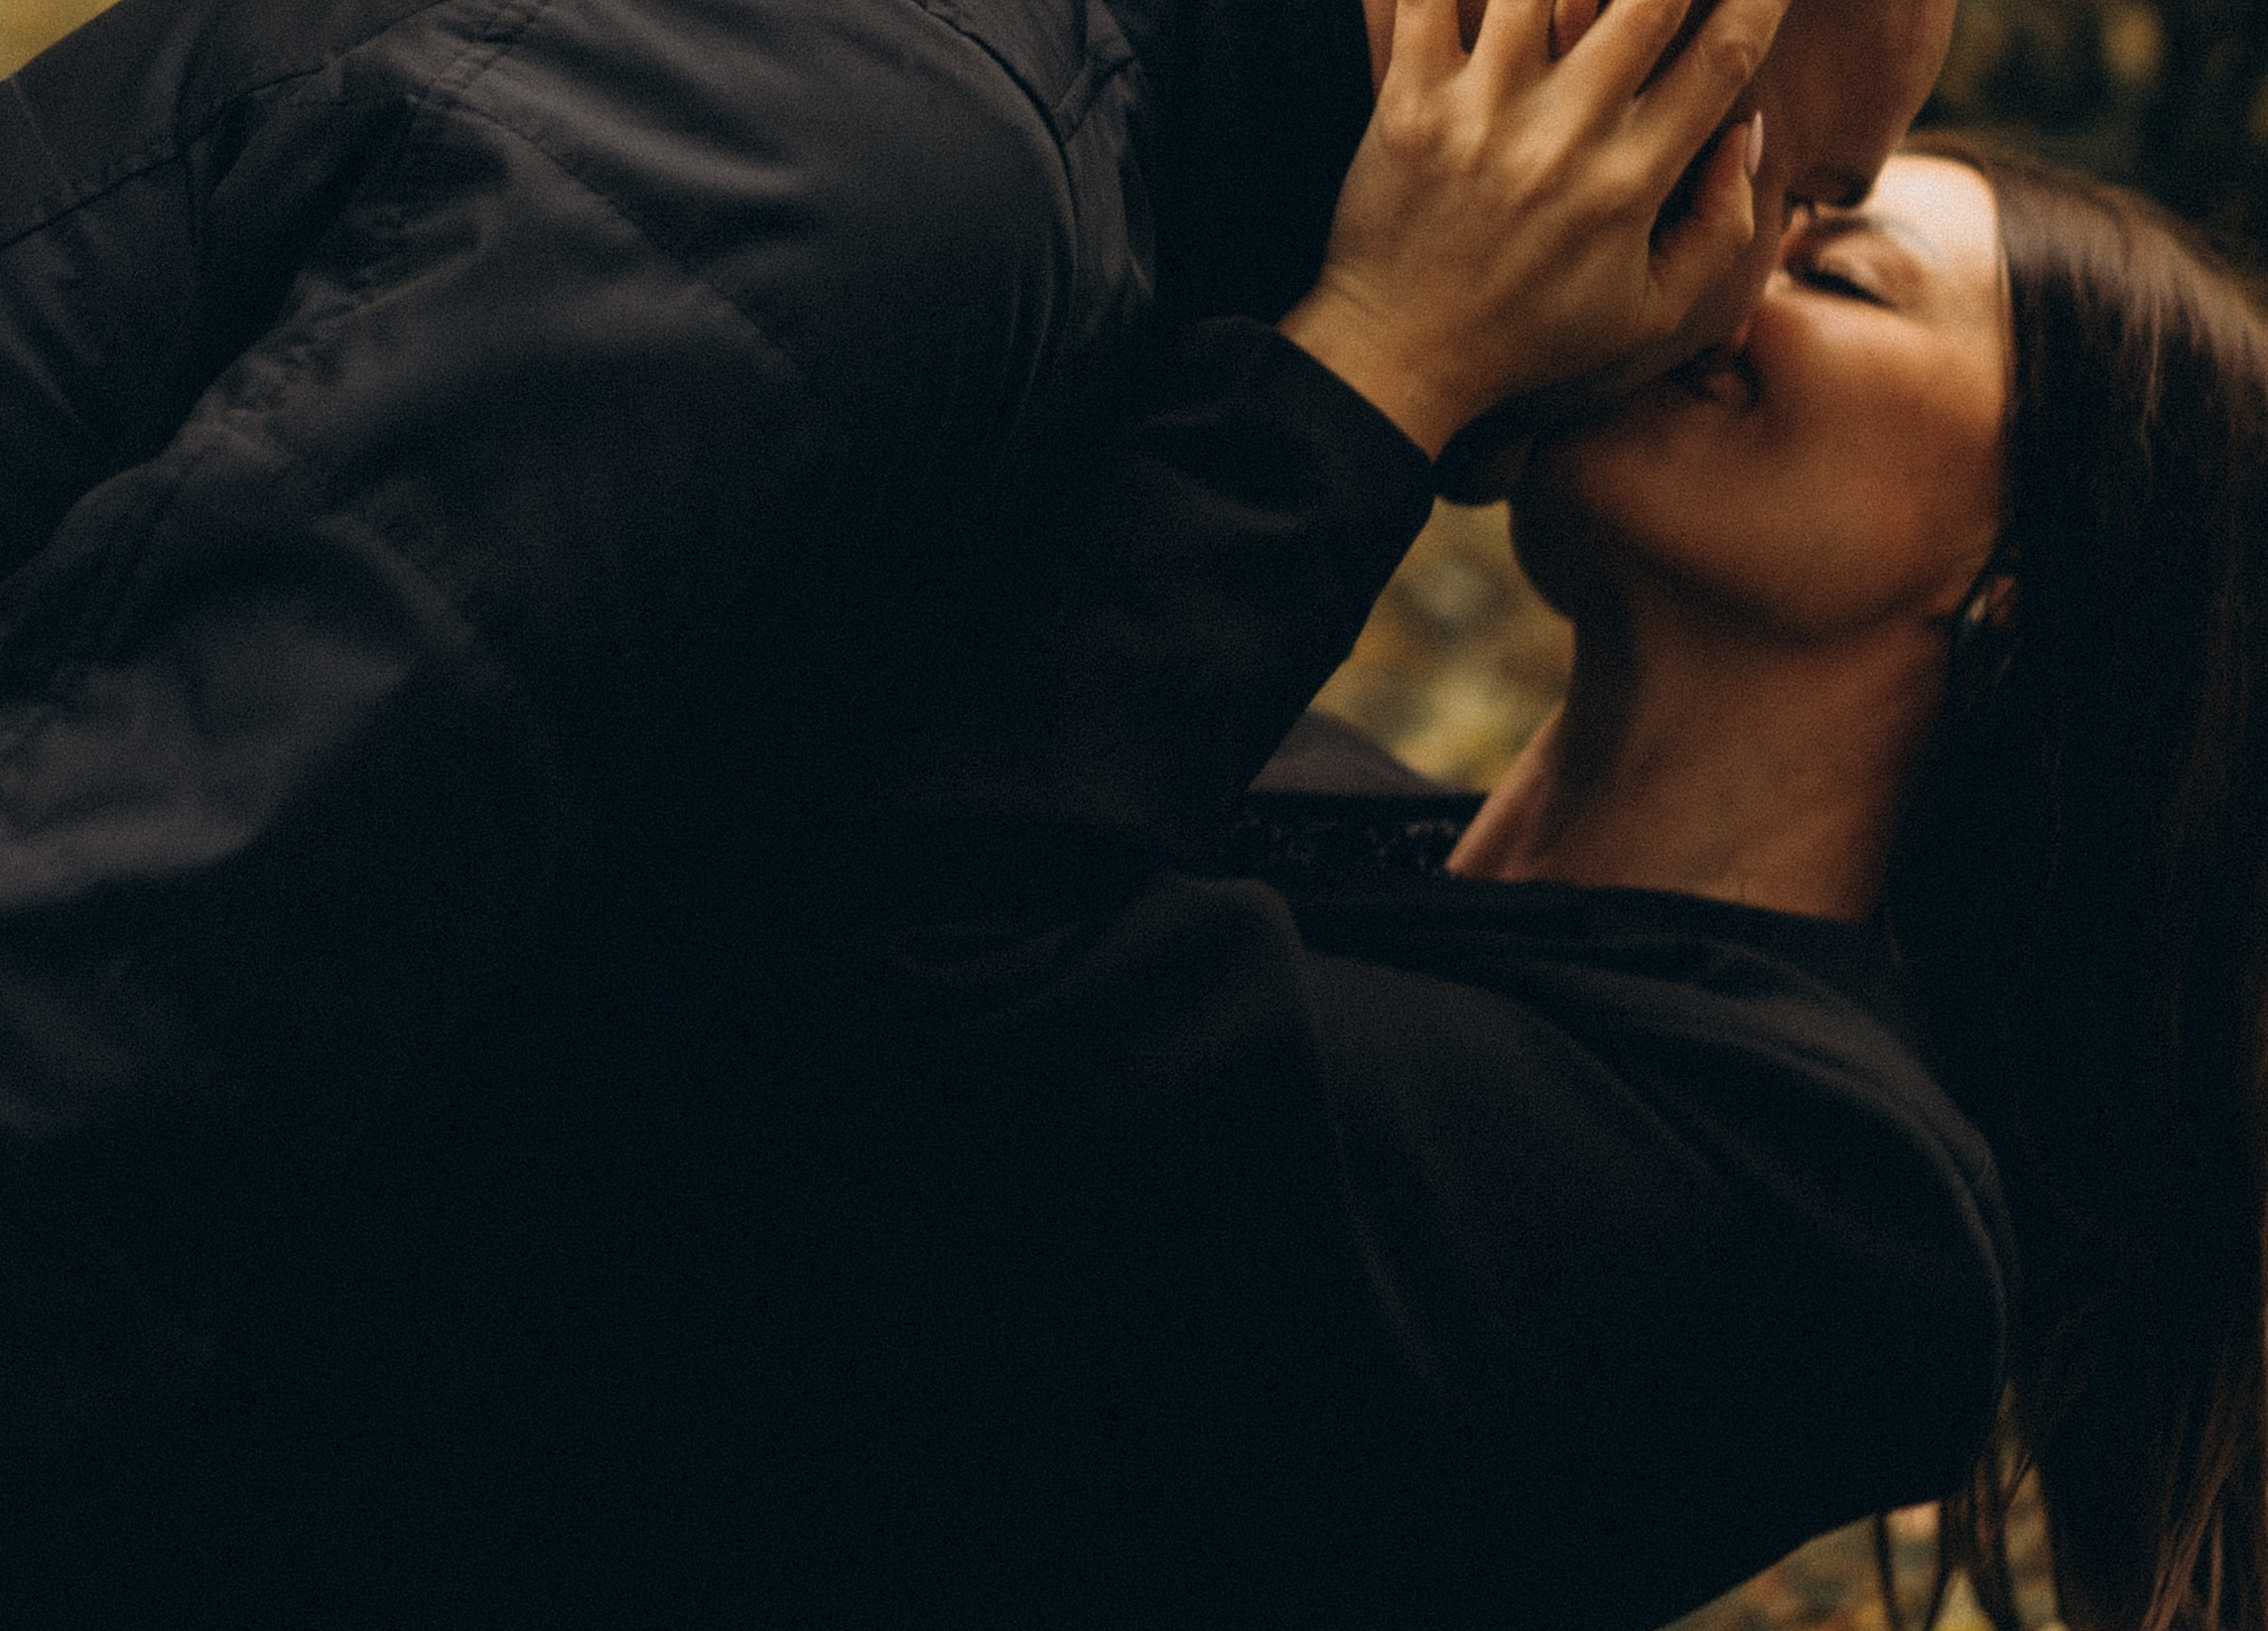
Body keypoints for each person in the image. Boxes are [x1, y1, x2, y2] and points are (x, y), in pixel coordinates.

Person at [0, 0, 1994, 1621]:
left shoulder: (928, 59)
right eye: (1783, 188)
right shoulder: (853, 207)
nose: (1740, 289)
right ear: (1607, 44)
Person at [799, 141, 2268, 1631]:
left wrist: (1389, 338)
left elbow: (903, 987)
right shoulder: (1305, 788)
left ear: (2020, 567)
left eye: (1836, 273)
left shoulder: (1841, 1216)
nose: (1721, 273)